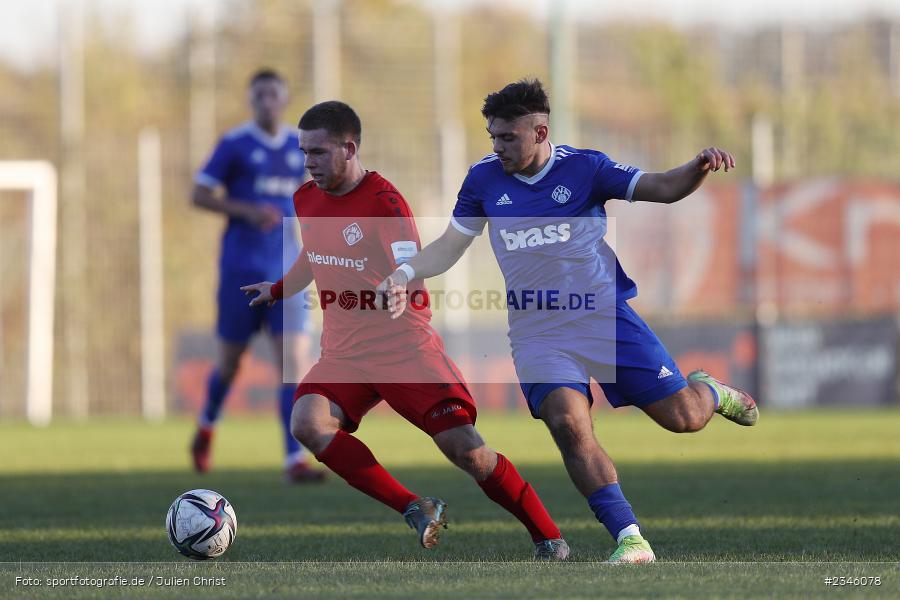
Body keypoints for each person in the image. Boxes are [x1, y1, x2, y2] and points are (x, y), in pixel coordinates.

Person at [378, 79, 759, 563]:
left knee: (684, 418)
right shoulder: (483, 179)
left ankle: (710, 391)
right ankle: (630, 538)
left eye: (507, 137)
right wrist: (406, 271)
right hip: (537, 332)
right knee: (567, 421)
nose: (498, 147)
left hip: (603, 318)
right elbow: (452, 245)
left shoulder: (586, 167)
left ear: (540, 131)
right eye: (492, 136)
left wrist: (698, 166)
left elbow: (662, 188)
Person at [241, 100, 568, 559]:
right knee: (308, 423)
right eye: (304, 152)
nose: (308, 162)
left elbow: (407, 258)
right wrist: (278, 289)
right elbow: (313, 255)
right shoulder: (305, 199)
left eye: (317, 152)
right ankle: (416, 507)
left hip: (404, 350)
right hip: (344, 354)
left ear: (349, 148)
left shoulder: (384, 202)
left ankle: (548, 536)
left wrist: (401, 282)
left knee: (467, 451)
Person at [190, 68, 323, 483]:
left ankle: (292, 460)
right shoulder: (234, 144)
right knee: (231, 364)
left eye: (273, 95)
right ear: (252, 100)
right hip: (240, 271)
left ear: (284, 100)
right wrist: (246, 210)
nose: (267, 102)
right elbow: (198, 194)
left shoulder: (298, 147)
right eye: (260, 95)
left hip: (286, 273)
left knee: (293, 362)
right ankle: (207, 424)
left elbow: (315, 199)